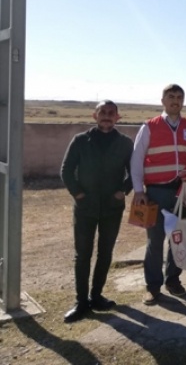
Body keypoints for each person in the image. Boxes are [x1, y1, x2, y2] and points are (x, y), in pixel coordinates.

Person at [131, 84, 186, 306]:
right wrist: (137, 191)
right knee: (155, 241)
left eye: (179, 97)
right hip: (155, 192)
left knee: (178, 237)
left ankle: (173, 281)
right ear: (163, 100)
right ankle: (152, 287)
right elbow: (136, 159)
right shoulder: (149, 127)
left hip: (182, 193)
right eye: (171, 97)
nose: (175, 101)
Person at [60, 100, 133, 323]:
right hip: (85, 208)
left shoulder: (125, 143)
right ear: (95, 115)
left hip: (112, 208)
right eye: (103, 112)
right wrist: (78, 194)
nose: (107, 116)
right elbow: (66, 170)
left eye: (111, 113)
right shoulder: (81, 140)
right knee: (82, 255)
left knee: (105, 253)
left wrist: (123, 191)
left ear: (118, 117)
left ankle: (96, 296)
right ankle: (81, 302)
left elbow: (134, 172)